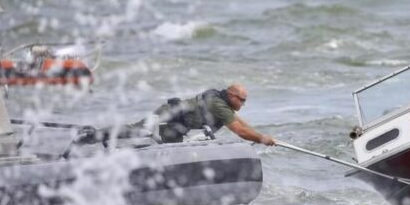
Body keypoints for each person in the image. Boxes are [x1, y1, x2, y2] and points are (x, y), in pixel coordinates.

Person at [78, 83, 275, 146]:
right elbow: (240, 131)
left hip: (177, 126)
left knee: (172, 152)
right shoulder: (219, 105)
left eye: (245, 101)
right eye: (241, 99)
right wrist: (262, 140)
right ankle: (92, 137)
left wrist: (262, 136)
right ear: (231, 95)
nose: (243, 104)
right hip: (168, 117)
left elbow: (241, 123)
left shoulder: (224, 105)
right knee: (137, 131)